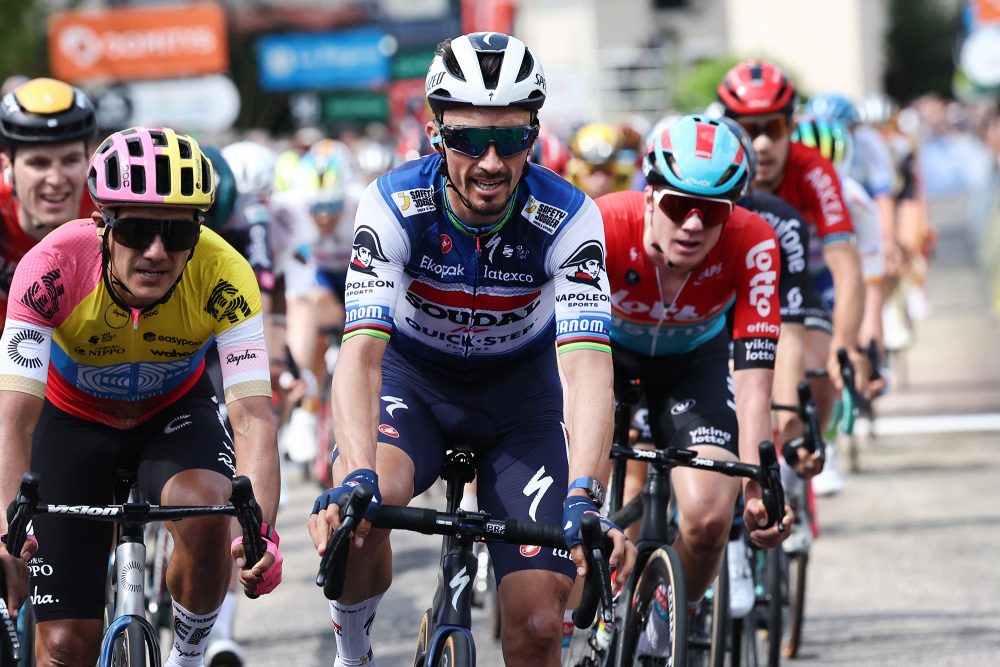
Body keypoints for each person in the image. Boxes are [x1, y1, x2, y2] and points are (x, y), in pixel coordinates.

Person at [306, 32, 636, 667]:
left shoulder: (568, 216)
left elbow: (588, 367)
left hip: (521, 404)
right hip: (415, 388)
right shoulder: (394, 204)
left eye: (510, 139)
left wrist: (586, 496)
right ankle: (353, 650)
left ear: (534, 134)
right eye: (466, 139)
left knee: (541, 626)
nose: (490, 162)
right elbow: (361, 355)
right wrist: (353, 476)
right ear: (436, 133)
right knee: (365, 515)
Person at [0, 126, 282, 667]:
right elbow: (14, 421)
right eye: (136, 230)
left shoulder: (225, 274)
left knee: (208, 509)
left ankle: (190, 655)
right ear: (103, 224)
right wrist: (7, 529)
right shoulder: (51, 267)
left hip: (173, 414)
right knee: (62, 649)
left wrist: (260, 534)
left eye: (177, 236)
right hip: (71, 421)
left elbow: (252, 419)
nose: (156, 252)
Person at [596, 115, 791, 655]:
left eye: (712, 213)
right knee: (576, 500)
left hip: (693, 365)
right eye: (680, 206)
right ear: (651, 195)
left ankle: (662, 628)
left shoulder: (755, 242)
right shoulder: (605, 224)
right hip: (604, 359)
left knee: (708, 519)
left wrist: (757, 483)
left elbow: (753, 383)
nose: (693, 226)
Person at [716, 61, 872, 431]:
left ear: (792, 127)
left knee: (819, 360)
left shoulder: (814, 169)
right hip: (733, 281)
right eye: (749, 130)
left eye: (774, 128)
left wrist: (846, 344)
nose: (763, 144)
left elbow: (847, 266)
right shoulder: (714, 167)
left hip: (800, 278)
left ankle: (812, 446)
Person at [0, 77, 98, 321]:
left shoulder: (110, 206)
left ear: (89, 160)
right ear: (7, 167)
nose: (55, 179)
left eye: (70, 160)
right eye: (39, 163)